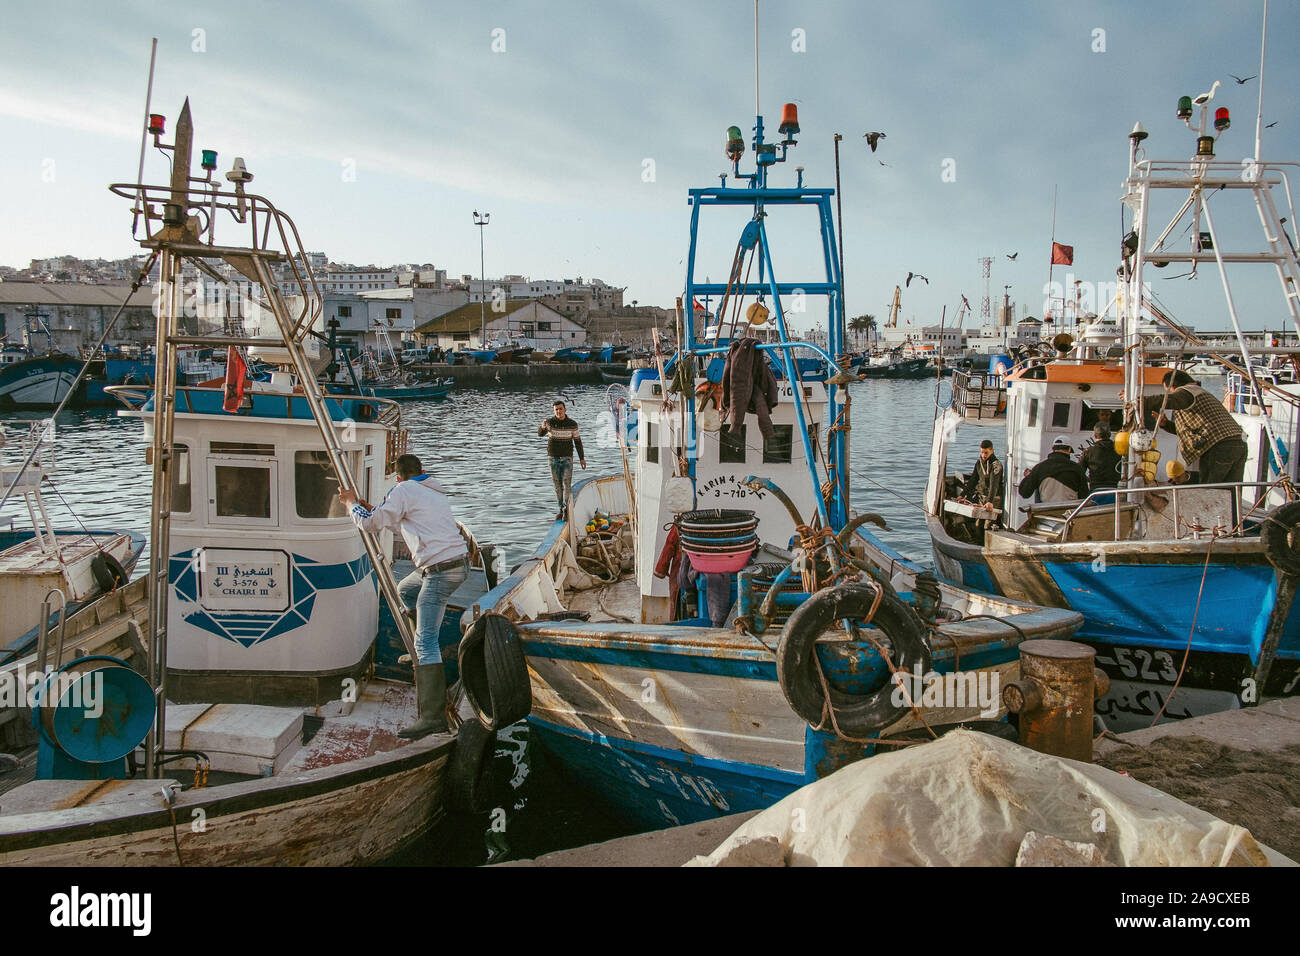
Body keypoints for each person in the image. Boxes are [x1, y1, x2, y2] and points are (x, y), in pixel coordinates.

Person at [339, 453, 467, 739]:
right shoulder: (432, 490)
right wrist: (373, 508)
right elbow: (400, 521)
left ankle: (433, 717)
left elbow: (370, 525)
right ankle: (417, 653)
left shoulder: (402, 490)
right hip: (459, 565)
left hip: (439, 572)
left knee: (427, 640)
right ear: (421, 470)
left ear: (397, 478)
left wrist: (350, 505)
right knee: (406, 591)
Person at [1157, 369, 1248, 484]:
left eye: (1169, 391)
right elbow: (1195, 430)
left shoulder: (1187, 393)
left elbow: (1164, 401)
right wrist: (1166, 425)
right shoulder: (1204, 396)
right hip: (1239, 442)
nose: (1170, 394)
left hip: (1221, 447)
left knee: (1211, 488)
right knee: (1233, 489)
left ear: (1174, 388)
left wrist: (1141, 402)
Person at [539, 399, 586, 520]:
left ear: (565, 409)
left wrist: (582, 458)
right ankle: (560, 509)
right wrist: (542, 427)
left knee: (566, 483)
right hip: (553, 457)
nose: (558, 411)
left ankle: (566, 509)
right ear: (554, 411)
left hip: (567, 457)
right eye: (556, 410)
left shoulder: (572, 424)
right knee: (557, 485)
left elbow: (578, 442)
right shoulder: (550, 422)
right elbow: (540, 434)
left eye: (560, 409)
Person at [1019, 437, 1088, 503]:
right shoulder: (1077, 468)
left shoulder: (1040, 467)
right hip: (1070, 512)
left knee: (1038, 484)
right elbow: (1084, 496)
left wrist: (1028, 477)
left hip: (1045, 512)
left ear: (1053, 449)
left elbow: (1024, 493)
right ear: (1069, 449)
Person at [1079, 424, 1122, 500]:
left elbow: (1079, 473)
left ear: (1095, 436)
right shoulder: (1119, 451)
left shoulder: (1088, 451)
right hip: (1115, 491)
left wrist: (1090, 480)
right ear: (1109, 434)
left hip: (1095, 492)